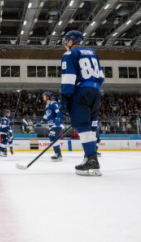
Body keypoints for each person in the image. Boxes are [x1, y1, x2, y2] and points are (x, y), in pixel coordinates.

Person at [58, 30, 105, 176]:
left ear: (72, 40)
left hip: (81, 92)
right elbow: (101, 77)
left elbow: (69, 78)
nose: (65, 43)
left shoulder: (69, 55)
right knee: (89, 127)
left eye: (66, 40)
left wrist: (64, 100)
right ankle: (88, 157)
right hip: (96, 92)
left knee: (83, 127)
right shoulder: (93, 53)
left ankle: (92, 160)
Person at [41, 91, 64, 161]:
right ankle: (58, 153)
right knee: (52, 139)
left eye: (44, 96)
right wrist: (42, 121)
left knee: (52, 137)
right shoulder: (46, 106)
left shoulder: (54, 104)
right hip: (51, 125)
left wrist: (58, 119)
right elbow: (46, 115)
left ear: (48, 97)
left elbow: (59, 112)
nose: (43, 97)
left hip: (57, 124)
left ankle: (58, 154)